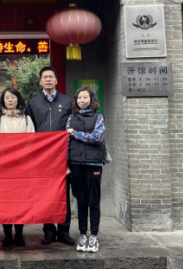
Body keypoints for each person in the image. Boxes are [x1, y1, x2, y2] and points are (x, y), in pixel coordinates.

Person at [26, 66, 74, 246]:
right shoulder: (34, 102)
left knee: (63, 194)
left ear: (56, 80)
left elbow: (72, 129)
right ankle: (48, 231)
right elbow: (30, 130)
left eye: (51, 77)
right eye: (45, 77)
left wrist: (69, 160)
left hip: (62, 156)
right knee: (45, 194)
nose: (48, 79)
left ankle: (64, 231)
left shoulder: (67, 101)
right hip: (42, 157)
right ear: (40, 81)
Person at [0, 87, 35, 247]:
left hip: (22, 167)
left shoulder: (27, 119)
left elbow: (32, 141)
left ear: (18, 99)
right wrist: (7, 154)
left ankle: (19, 234)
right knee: (5, 201)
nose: (10, 100)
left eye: (13, 97)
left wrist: (19, 155)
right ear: (3, 101)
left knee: (21, 201)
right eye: (7, 97)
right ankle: (7, 234)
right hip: (3, 168)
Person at [67, 86, 106, 253]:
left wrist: (75, 133)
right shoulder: (71, 117)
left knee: (94, 202)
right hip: (76, 164)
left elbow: (97, 137)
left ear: (91, 99)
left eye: (85, 97)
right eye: (79, 98)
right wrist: (67, 164)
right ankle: (82, 234)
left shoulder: (99, 117)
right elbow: (66, 143)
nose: (82, 100)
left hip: (93, 164)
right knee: (81, 201)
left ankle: (94, 236)